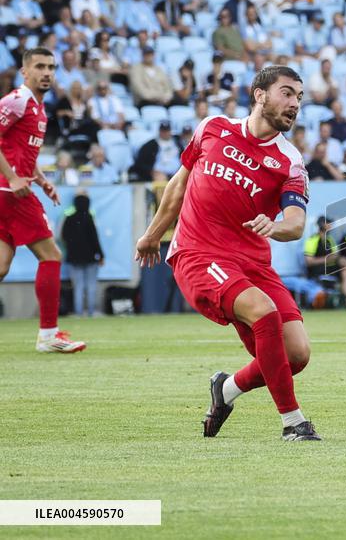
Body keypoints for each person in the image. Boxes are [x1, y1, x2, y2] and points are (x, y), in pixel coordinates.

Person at [134, 65, 321, 441]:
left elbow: (296, 223)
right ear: (259, 94)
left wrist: (276, 227)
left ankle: (227, 389)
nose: (294, 104)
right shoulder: (213, 127)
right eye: (287, 93)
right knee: (264, 313)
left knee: (296, 354)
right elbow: (178, 185)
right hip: (199, 254)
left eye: (299, 97)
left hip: (253, 263)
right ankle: (293, 423)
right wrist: (152, 235)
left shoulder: (290, 160)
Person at [0, 48, 86, 353]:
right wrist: (12, 178)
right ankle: (48, 335)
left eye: (51, 66)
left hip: (13, 189)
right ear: (25, 72)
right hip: (10, 193)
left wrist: (41, 179)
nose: (47, 72)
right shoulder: (18, 100)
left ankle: (49, 335)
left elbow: (20, 151)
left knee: (1, 266)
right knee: (51, 255)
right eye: (39, 66)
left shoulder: (38, 107)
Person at [60, 191, 105, 316]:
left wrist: (72, 247)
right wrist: (101, 255)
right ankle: (91, 312)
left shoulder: (69, 219)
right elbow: (95, 239)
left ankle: (79, 313)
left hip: (73, 258)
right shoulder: (89, 218)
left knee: (78, 287)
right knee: (91, 286)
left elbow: (63, 236)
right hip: (90, 258)